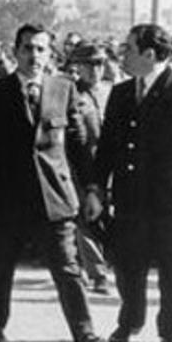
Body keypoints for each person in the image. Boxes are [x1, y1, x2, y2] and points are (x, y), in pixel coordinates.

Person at [0, 23, 107, 342]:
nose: (34, 55)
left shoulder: (64, 88)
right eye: (28, 48)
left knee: (68, 269)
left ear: (50, 54)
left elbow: (78, 144)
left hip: (54, 197)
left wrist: (91, 188)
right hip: (8, 198)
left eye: (41, 49)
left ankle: (86, 336)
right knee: (0, 268)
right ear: (16, 52)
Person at [85, 24, 172, 342]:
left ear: (149, 54)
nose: (122, 55)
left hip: (169, 199)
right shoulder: (122, 92)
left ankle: (170, 333)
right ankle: (130, 320)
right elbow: (108, 147)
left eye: (128, 49)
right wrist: (96, 188)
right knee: (128, 264)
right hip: (130, 197)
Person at [67, 43, 112, 294]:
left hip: (110, 164)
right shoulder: (72, 94)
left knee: (106, 216)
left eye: (100, 63)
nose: (96, 69)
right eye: (90, 64)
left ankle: (86, 265)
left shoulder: (111, 91)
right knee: (86, 217)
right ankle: (98, 273)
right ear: (78, 66)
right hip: (82, 163)